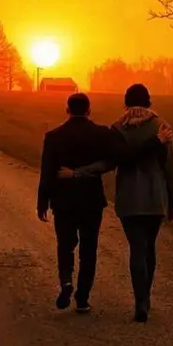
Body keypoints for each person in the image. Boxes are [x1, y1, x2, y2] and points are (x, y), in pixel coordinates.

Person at [59, 83, 173, 323]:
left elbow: (107, 163)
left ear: (125, 102)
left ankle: (139, 300)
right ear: (149, 102)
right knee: (149, 248)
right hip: (155, 197)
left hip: (128, 198)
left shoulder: (117, 128)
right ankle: (145, 299)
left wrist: (78, 172)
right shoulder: (161, 127)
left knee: (136, 247)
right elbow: (170, 167)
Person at [36, 93, 116, 314]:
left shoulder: (53, 137)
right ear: (89, 110)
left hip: (63, 201)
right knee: (89, 249)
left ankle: (66, 282)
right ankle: (82, 298)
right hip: (91, 200)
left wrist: (42, 200)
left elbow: (47, 172)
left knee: (65, 245)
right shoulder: (101, 134)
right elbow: (111, 161)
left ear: (67, 110)